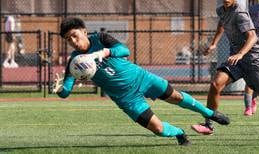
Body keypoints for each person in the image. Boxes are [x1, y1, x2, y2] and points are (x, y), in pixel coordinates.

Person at [53, 17, 230, 145]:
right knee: (158, 129)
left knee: (175, 97)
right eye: (68, 40)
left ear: (84, 31)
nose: (73, 41)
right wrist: (60, 89)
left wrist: (103, 52)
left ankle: (209, 114)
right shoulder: (75, 63)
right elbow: (66, 91)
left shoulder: (101, 39)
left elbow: (124, 50)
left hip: (141, 78)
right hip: (126, 99)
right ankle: (180, 133)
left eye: (75, 35)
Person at [191, 0, 259, 135]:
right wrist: (214, 43)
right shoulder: (221, 10)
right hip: (236, 60)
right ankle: (208, 125)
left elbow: (252, 37)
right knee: (215, 84)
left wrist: (241, 53)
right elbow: (222, 23)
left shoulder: (239, 11)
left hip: (255, 60)